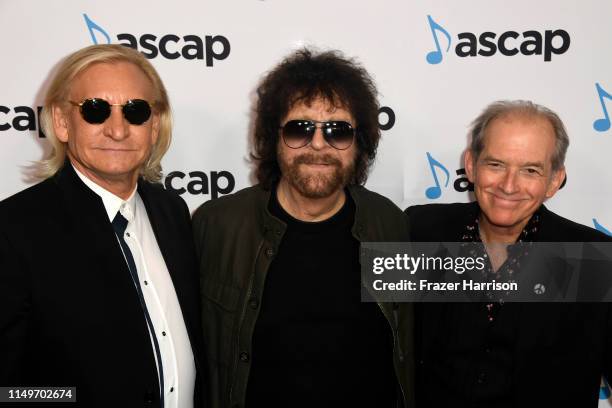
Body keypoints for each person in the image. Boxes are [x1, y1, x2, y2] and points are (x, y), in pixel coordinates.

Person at [193, 48, 413, 408]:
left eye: (337, 131)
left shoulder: (389, 224)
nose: (318, 144)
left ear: (360, 143)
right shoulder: (217, 226)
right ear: (273, 137)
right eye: (300, 128)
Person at [0, 44, 204, 408]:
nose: (118, 130)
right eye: (95, 111)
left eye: (136, 112)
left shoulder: (172, 212)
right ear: (62, 122)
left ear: (154, 125)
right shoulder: (13, 230)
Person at [406, 100, 612, 407]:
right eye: (496, 164)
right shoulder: (420, 231)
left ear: (554, 180)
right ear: (472, 165)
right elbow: (372, 340)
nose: (509, 185)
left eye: (530, 170)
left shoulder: (592, 257)